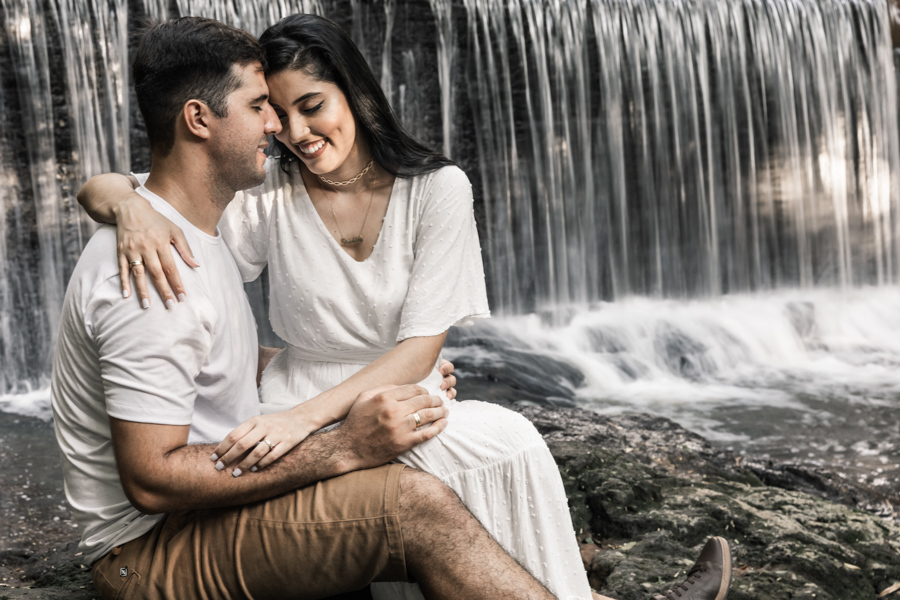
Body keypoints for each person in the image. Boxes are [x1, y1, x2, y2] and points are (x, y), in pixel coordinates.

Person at [76, 14, 732, 600]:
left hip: (326, 409)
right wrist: (336, 442)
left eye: (308, 106)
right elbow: (153, 476)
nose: (285, 130)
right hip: (173, 530)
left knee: (506, 443)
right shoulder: (184, 240)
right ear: (200, 119)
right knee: (443, 483)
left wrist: (379, 384)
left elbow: (223, 344)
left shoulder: (205, 227)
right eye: (266, 108)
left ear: (355, 96)